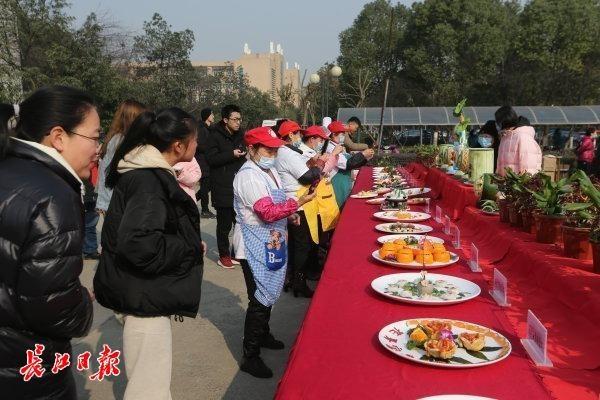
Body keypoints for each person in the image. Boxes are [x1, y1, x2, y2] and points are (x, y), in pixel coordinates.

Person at [94, 108, 203, 400]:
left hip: (143, 293)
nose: (197, 145)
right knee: (148, 389)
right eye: (195, 139)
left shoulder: (148, 175)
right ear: (178, 145)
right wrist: (187, 245)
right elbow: (140, 245)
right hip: (143, 300)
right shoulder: (147, 181)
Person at [0, 86, 96, 399]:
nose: (99, 148)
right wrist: (82, 302)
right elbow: (54, 309)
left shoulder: (9, 170)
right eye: (95, 137)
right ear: (58, 137)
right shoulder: (52, 196)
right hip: (26, 366)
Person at [232, 126, 316, 378]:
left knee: (269, 292)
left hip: (272, 239)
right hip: (253, 242)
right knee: (259, 297)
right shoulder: (248, 176)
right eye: (267, 149)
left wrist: (290, 215)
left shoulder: (268, 171)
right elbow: (266, 211)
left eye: (275, 149)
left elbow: (277, 204)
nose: (273, 153)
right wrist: (298, 204)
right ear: (252, 149)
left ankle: (264, 333)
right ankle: (251, 354)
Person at [274, 120, 338, 297]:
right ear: (290, 136)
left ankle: (294, 278)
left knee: (297, 244)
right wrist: (318, 164)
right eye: (298, 134)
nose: (301, 137)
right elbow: (307, 177)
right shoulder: (287, 153)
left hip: (296, 201)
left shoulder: (287, 152)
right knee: (302, 245)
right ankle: (299, 282)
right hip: (297, 201)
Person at [206, 104, 246, 269]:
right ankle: (223, 256)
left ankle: (236, 251)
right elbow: (211, 160)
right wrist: (231, 154)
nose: (238, 122)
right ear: (225, 120)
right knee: (224, 225)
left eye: (239, 119)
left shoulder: (240, 135)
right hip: (222, 185)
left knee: (239, 222)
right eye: (235, 119)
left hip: (238, 185)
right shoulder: (214, 136)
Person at [96, 99, 147, 215]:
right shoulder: (121, 141)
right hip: (119, 203)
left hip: (114, 202)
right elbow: (107, 172)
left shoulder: (114, 139)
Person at [327, 120, 375, 207]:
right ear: (333, 134)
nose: (343, 136)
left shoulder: (339, 146)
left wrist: (365, 158)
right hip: (337, 183)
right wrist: (363, 154)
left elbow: (353, 163)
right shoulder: (331, 148)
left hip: (345, 180)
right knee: (340, 207)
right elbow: (347, 164)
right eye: (342, 134)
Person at [494, 106, 542, 176]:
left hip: (519, 184)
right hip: (506, 183)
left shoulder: (523, 137)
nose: (497, 125)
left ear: (504, 121)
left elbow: (528, 167)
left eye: (498, 122)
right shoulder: (505, 137)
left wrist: (524, 184)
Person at [196, 107, 216, 218]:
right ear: (207, 116)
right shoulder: (201, 129)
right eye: (211, 114)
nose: (213, 116)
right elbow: (199, 145)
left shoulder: (210, 128)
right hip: (202, 161)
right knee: (205, 185)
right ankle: (204, 210)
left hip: (208, 161)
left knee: (207, 186)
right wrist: (211, 148)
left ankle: (192, 199)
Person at [83, 176, 100, 259]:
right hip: (88, 193)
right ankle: (89, 250)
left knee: (90, 224)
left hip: (91, 194)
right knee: (89, 225)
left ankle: (90, 250)